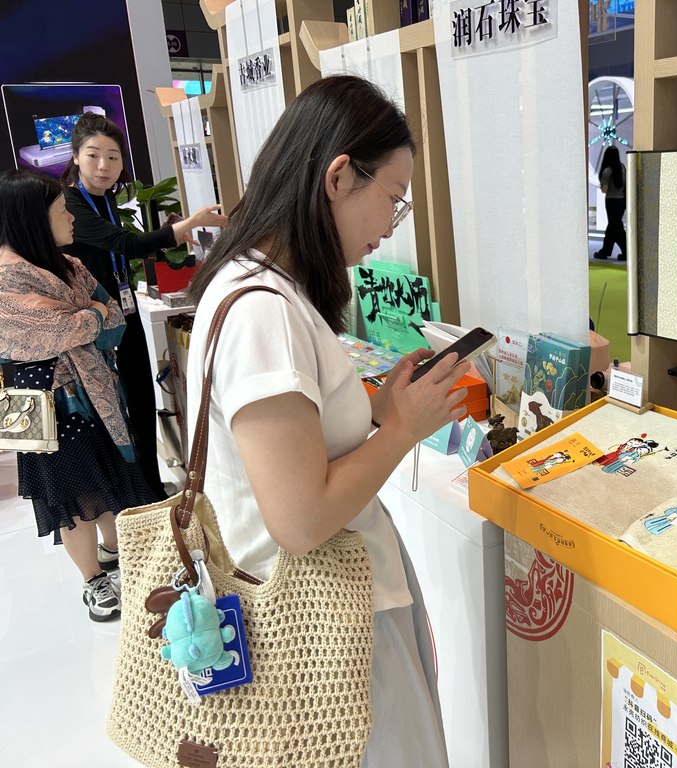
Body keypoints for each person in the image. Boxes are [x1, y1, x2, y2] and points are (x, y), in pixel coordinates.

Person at [185, 75, 467, 767]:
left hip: (315, 615)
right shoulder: (264, 310)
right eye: (393, 199)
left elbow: (290, 456)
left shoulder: (256, 285)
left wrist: (374, 414)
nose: (390, 226)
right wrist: (401, 431)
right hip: (320, 628)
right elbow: (302, 520)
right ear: (339, 176)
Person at [0, 169, 161, 621]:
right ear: (33, 219)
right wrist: (88, 314)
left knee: (108, 475)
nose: (71, 217)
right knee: (69, 494)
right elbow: (60, 330)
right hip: (37, 401)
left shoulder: (70, 264)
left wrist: (86, 318)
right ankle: (93, 580)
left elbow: (113, 320)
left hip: (93, 390)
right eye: (62, 210)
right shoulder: (5, 278)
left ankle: (114, 552)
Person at [60, 112, 227, 500]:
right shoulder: (71, 203)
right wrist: (186, 225)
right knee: (112, 408)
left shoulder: (105, 200)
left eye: (113, 157)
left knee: (140, 399)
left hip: (124, 310)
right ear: (76, 156)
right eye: (93, 155)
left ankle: (149, 490)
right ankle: (130, 494)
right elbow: (125, 245)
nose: (103, 166)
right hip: (92, 322)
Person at [594, 145, 627, 260]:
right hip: (622, 201)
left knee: (613, 228)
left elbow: (604, 190)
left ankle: (606, 251)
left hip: (611, 201)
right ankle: (623, 252)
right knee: (616, 227)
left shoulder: (607, 171)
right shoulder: (622, 168)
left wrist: (602, 185)